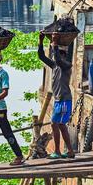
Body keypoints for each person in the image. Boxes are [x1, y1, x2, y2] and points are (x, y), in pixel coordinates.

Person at [38, 31, 75, 159]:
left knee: (57, 124)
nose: (54, 56)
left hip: (64, 100)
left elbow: (58, 59)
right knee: (58, 124)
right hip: (59, 100)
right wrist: (41, 41)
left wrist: (54, 43)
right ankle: (65, 151)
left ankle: (62, 151)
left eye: (57, 54)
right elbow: (41, 56)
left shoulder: (66, 65)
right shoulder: (54, 66)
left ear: (63, 55)